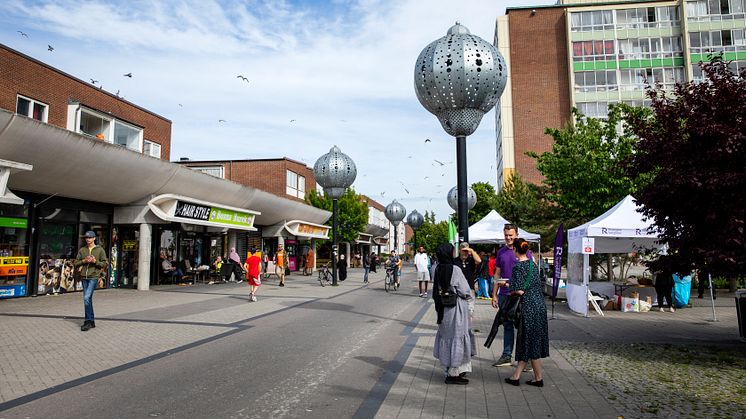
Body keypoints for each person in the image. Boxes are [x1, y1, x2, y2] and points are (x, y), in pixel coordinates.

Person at [504, 238, 549, 387]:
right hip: (540, 306)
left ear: (516, 250)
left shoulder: (518, 267)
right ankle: (521, 376)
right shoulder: (533, 265)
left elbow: (519, 290)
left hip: (528, 307)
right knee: (529, 341)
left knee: (528, 340)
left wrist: (506, 284)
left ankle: (534, 378)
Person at [432, 243, 476, 385]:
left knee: (447, 337)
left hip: (443, 310)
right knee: (458, 337)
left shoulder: (437, 269)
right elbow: (464, 290)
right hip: (457, 308)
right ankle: (454, 374)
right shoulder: (455, 269)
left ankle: (448, 370)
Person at [492, 223, 533, 368]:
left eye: (511, 235)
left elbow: (530, 273)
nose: (508, 238)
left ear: (517, 234)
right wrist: (494, 294)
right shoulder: (501, 252)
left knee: (522, 327)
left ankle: (524, 360)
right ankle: (506, 356)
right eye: (506, 235)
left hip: (520, 295)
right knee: (507, 326)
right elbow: (497, 273)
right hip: (504, 295)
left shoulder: (525, 250)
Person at [74, 231, 108, 332]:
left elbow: (104, 264)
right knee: (88, 299)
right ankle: (91, 321)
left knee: (86, 297)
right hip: (84, 276)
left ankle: (88, 321)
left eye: (90, 238)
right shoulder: (82, 250)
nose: (88, 239)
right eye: (86, 238)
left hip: (94, 276)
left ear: (94, 238)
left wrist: (94, 261)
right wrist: (84, 261)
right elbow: (76, 263)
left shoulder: (100, 250)